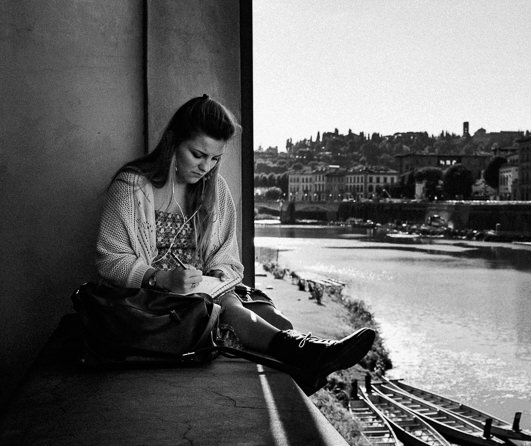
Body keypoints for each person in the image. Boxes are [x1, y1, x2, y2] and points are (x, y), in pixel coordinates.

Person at [95, 95, 374, 393]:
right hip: (151, 299)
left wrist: (219, 275)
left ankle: (306, 365)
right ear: (173, 141)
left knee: (276, 320)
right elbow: (109, 260)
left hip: (206, 293)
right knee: (231, 306)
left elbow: (227, 259)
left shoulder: (215, 191)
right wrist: (161, 278)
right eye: (197, 154)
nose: (206, 166)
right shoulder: (132, 186)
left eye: (215, 158)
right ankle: (309, 357)